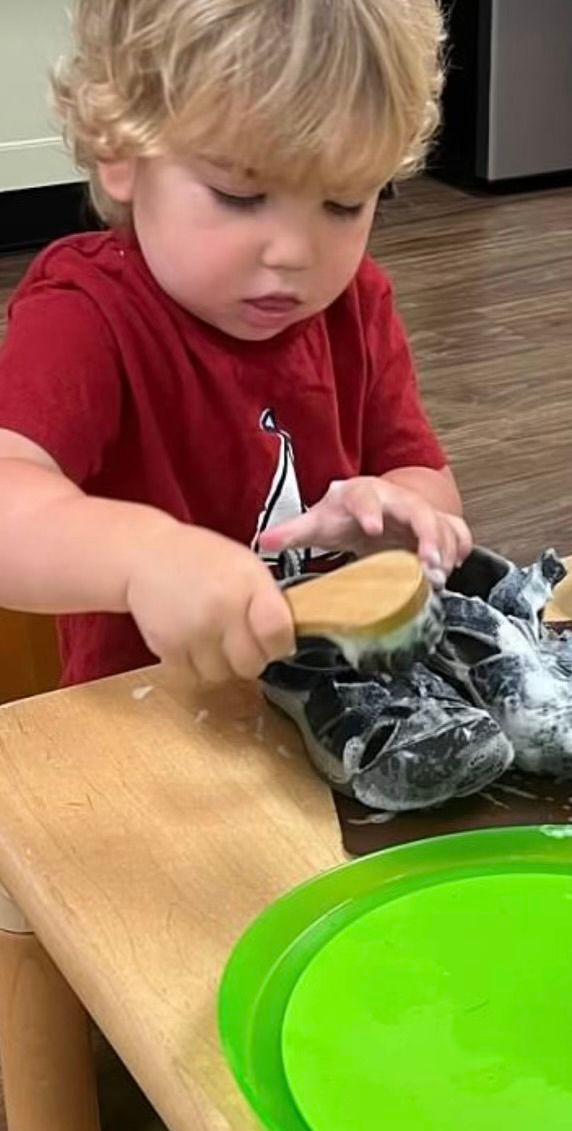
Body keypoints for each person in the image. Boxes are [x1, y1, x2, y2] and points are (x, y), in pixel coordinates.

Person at [0, 0, 470, 689]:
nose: (292, 253)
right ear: (123, 154)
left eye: (343, 204)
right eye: (239, 195)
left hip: (334, 705)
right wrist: (142, 556)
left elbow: (427, 484)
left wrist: (402, 517)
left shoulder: (354, 304)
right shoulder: (88, 316)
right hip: (152, 724)